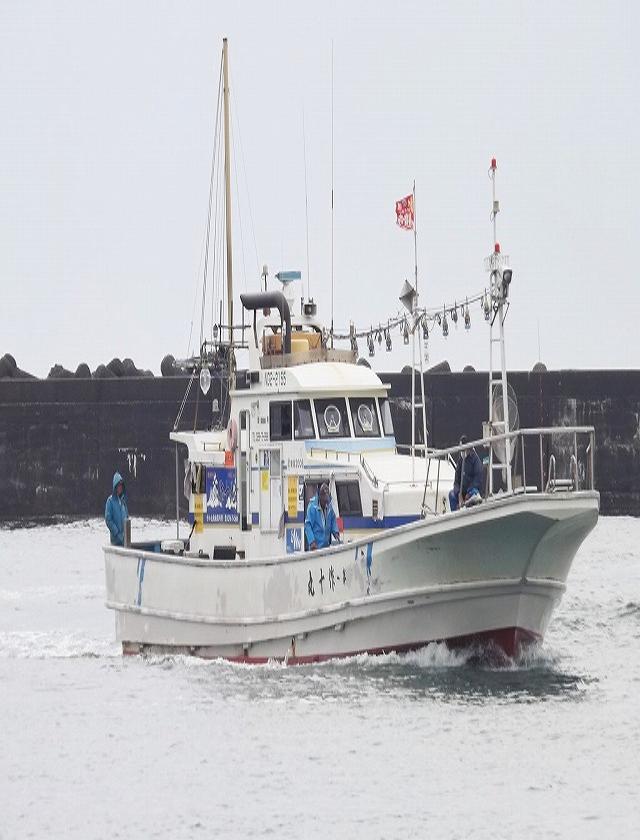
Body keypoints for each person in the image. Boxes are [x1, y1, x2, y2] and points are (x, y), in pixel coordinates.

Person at [449, 435, 483, 512]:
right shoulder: (460, 461)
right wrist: (458, 493)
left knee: (474, 493)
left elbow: (477, 479)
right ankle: (456, 514)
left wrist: (468, 492)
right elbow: (456, 481)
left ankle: (470, 508)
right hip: (462, 493)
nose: (462, 452)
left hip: (471, 491)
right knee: (451, 495)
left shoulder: (475, 460)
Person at [304, 483, 340, 550]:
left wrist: (335, 532)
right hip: (315, 547)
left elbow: (333, 520)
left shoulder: (329, 506)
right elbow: (307, 525)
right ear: (320, 496)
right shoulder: (312, 507)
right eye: (325, 501)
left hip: (326, 546)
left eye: (327, 501)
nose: (326, 503)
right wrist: (312, 542)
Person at [105, 471, 129, 546]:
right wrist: (117, 533)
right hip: (115, 541)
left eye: (121, 485)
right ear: (115, 486)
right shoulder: (110, 501)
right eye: (118, 485)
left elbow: (127, 517)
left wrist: (126, 535)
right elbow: (108, 520)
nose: (120, 487)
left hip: (125, 540)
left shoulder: (123, 501)